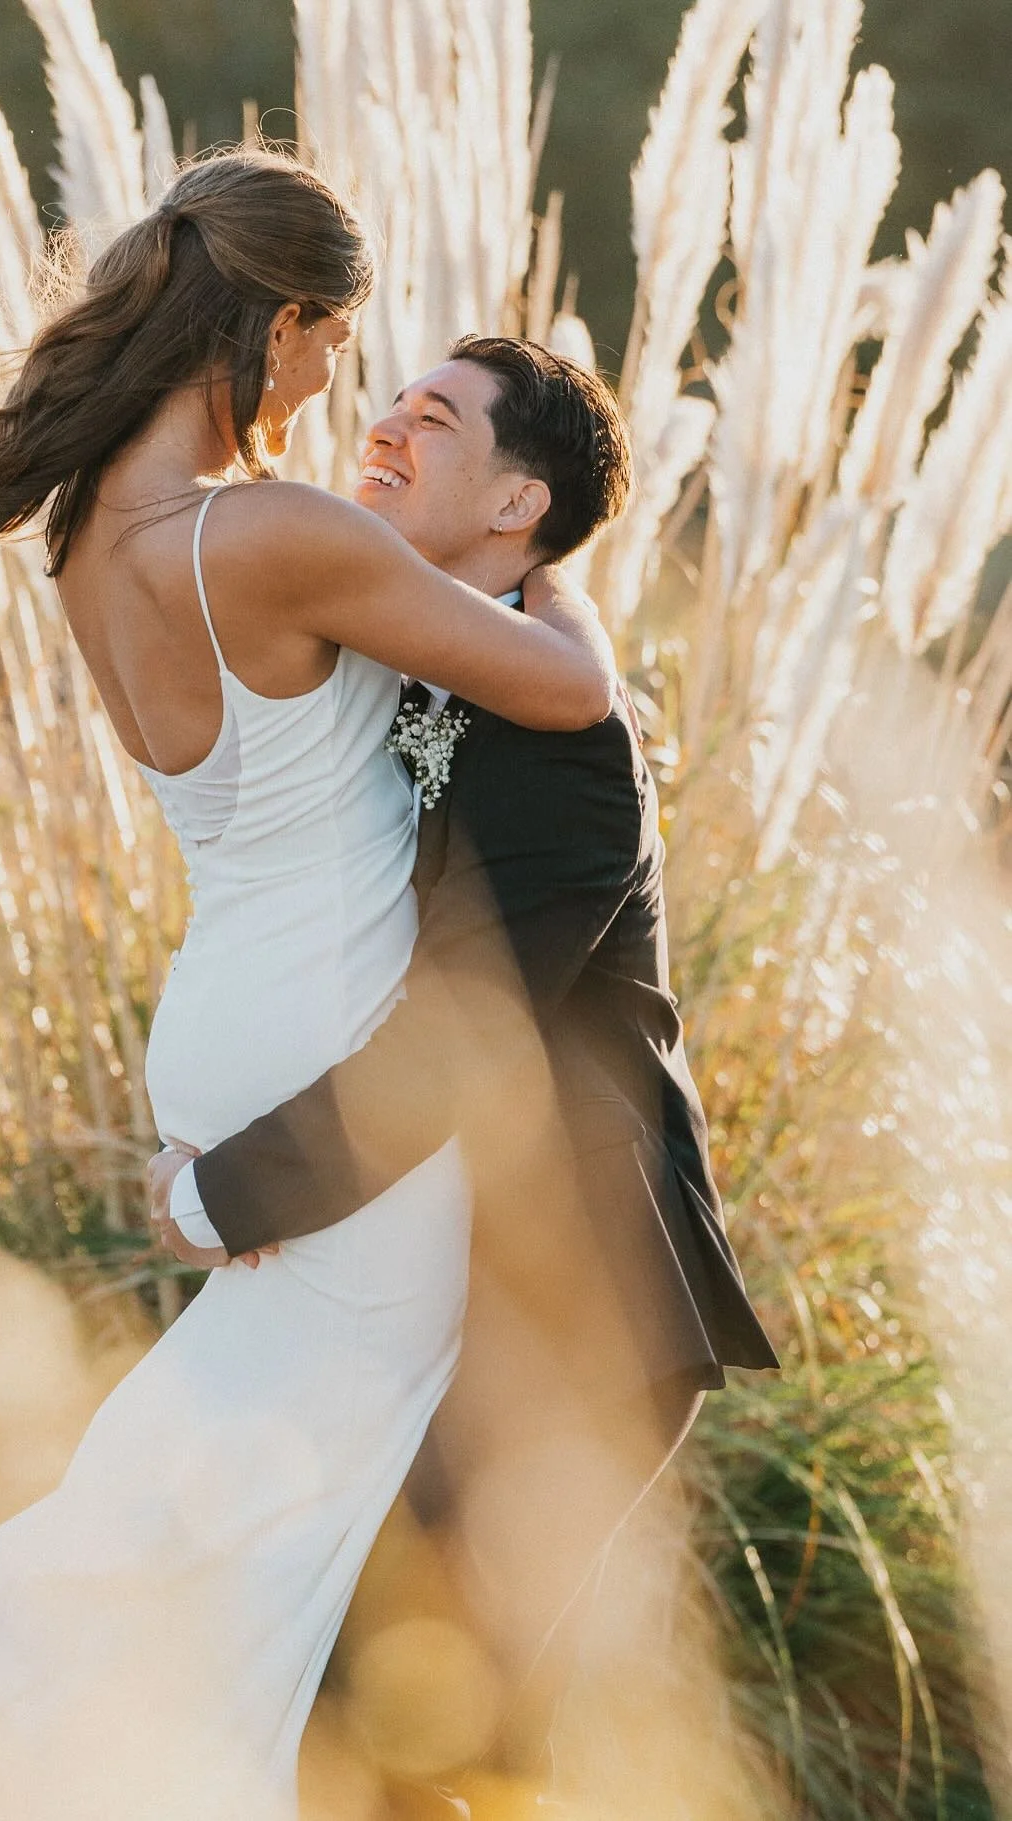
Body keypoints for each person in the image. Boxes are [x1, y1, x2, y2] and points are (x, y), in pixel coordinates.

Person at [0, 154, 621, 1821]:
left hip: (224, 1023)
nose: (342, 392)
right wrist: (560, 552)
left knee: (187, 1495)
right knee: (245, 1538)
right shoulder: (276, 531)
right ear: (279, 322)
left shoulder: (95, 526)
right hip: (338, 1045)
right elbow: (562, 687)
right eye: (336, 349)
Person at [148, 335, 783, 1800]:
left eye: (433, 420)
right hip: (414, 1276)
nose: (381, 426)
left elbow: (459, 1041)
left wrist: (223, 1197)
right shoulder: (417, 645)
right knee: (315, 1681)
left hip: (576, 1295)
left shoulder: (564, 737)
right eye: (387, 401)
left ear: (514, 507)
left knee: (410, 1717)